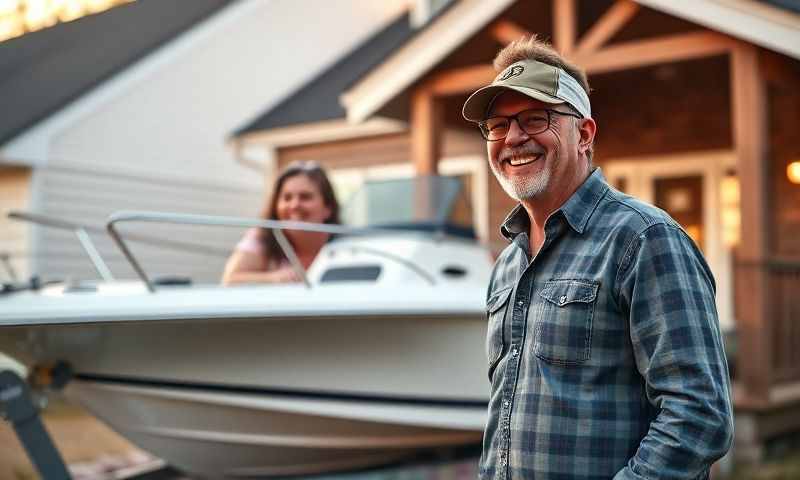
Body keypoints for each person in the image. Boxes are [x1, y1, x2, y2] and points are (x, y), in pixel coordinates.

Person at [461, 35, 733, 479]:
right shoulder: (507, 264)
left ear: (584, 134)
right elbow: (506, 415)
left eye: (535, 119)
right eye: (497, 125)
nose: (512, 138)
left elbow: (699, 415)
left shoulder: (645, 239)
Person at [221, 161, 339, 285]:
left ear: (328, 208)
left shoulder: (348, 244)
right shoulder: (262, 238)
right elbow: (229, 281)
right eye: (287, 198)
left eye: (305, 197)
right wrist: (272, 279)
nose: (294, 205)